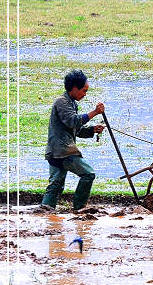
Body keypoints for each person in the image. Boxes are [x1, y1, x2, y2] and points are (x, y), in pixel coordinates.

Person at [41, 70, 105, 212]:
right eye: (84, 90)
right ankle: (79, 209)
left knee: (55, 185)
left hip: (57, 151)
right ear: (75, 88)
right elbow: (73, 121)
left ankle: (44, 213)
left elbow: (75, 128)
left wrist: (92, 129)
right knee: (88, 174)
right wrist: (95, 112)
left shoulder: (70, 103)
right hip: (62, 151)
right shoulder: (62, 102)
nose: (85, 94)